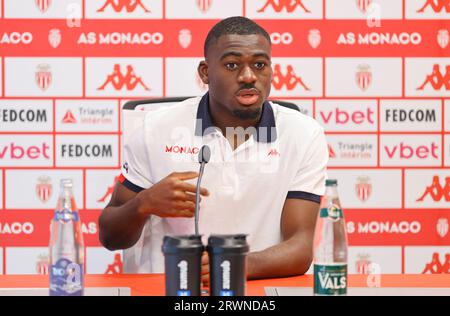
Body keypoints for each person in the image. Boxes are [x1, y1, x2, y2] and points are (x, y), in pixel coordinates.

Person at [99, 17, 328, 282]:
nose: (248, 76)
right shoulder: (155, 128)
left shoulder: (303, 134)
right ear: (205, 73)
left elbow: (300, 248)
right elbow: (110, 237)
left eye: (259, 65)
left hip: (256, 289)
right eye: (232, 65)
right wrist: (144, 203)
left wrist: (233, 265)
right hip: (173, 288)